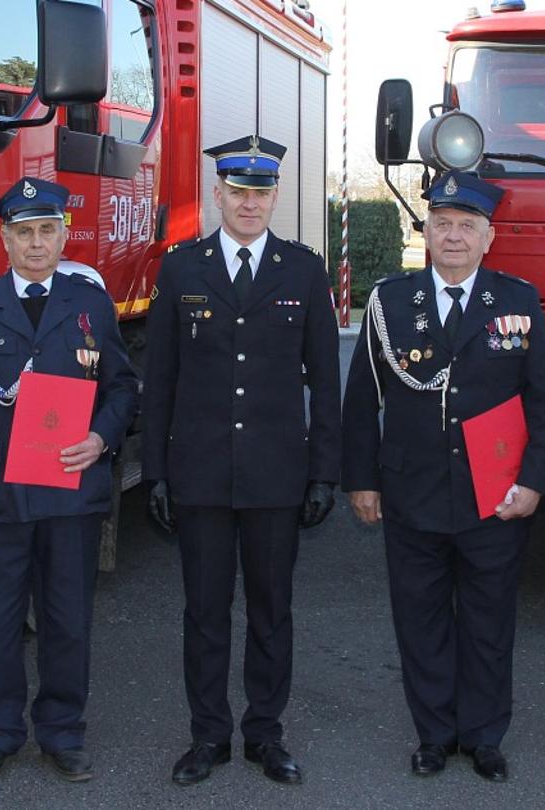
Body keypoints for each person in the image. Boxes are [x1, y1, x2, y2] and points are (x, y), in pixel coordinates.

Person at [341, 171, 545, 782]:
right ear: (427, 232)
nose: (455, 236)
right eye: (443, 224)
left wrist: (535, 483)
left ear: (489, 237)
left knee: (490, 623)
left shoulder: (516, 302)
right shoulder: (390, 302)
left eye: (468, 226)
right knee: (421, 621)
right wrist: (361, 480)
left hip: (496, 496)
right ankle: (435, 735)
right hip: (411, 492)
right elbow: (361, 400)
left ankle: (485, 737)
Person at [142, 135, 341, 786]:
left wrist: (323, 472)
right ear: (217, 196)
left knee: (270, 611)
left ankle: (264, 733)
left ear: (275, 197)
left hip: (276, 475)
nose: (249, 204)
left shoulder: (302, 271)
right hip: (200, 473)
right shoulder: (182, 269)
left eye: (260, 193)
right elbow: (160, 380)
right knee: (204, 613)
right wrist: (156, 472)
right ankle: (208, 736)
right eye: (237, 193)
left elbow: (325, 382)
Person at [0, 176, 139, 786]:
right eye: (24, 233)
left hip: (71, 489)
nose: (37, 243)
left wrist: (101, 438)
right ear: (5, 240)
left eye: (48, 230)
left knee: (67, 619)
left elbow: (122, 388)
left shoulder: (89, 302)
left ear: (63, 236)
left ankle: (63, 733)